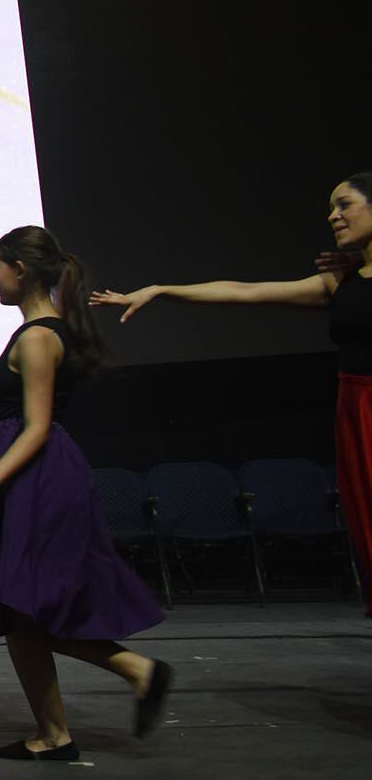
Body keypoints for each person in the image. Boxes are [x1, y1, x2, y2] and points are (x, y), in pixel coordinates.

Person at [90, 171, 372, 617]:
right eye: (331, 208)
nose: (333, 216)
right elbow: (244, 291)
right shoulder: (340, 282)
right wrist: (162, 290)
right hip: (355, 404)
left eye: (345, 205)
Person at [0, 226, 170, 760]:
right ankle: (54, 732)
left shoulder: (38, 337)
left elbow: (37, 425)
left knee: (24, 606)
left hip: (36, 476)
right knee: (17, 611)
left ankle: (133, 673)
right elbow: (17, 403)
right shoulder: (36, 334)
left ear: (21, 270)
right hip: (28, 471)